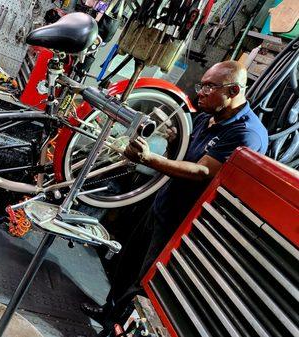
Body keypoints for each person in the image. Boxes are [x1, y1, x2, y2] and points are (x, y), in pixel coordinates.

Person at [81, 61, 269, 324]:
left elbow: (201, 171)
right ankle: (108, 312)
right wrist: (173, 141)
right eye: (201, 85)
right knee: (128, 262)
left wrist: (149, 159)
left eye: (209, 87)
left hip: (184, 223)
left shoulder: (247, 133)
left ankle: (119, 327)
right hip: (164, 203)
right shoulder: (207, 115)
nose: (200, 92)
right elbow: (182, 155)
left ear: (234, 90)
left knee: (146, 279)